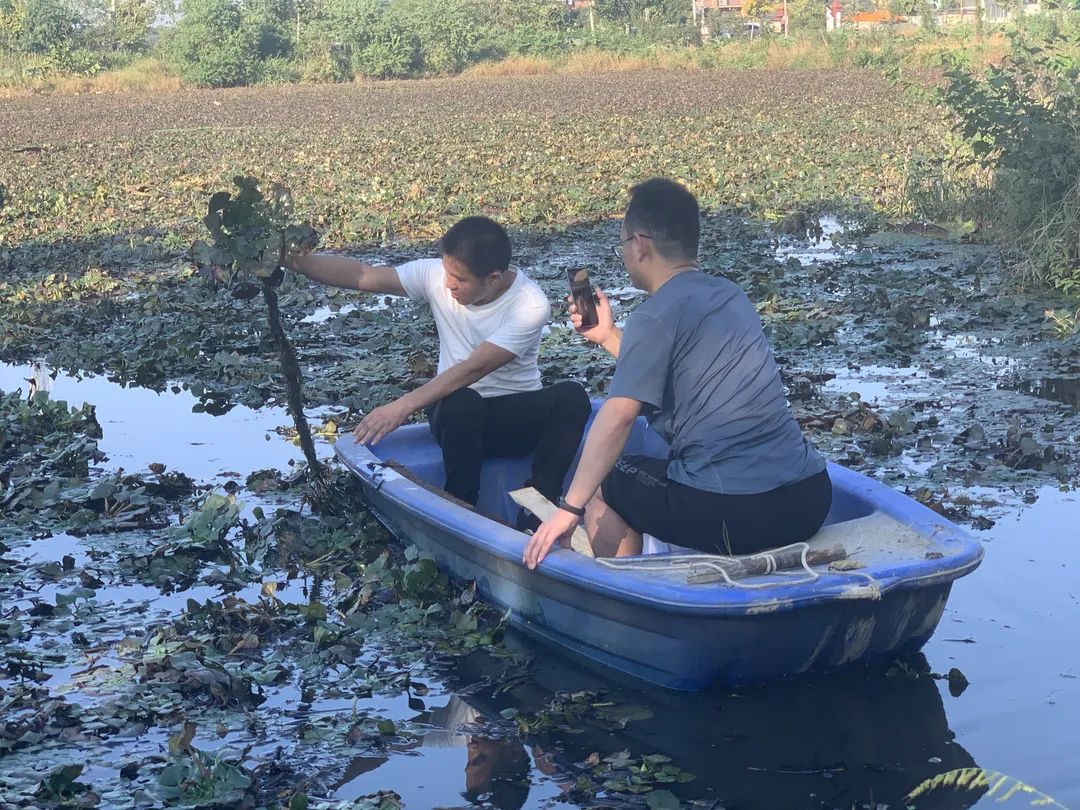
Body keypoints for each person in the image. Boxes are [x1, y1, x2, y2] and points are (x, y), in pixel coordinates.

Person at [523, 179, 831, 569]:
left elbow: (617, 419)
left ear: (639, 244)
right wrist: (608, 337)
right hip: (809, 498)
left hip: (734, 513)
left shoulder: (654, 314)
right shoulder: (730, 295)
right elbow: (680, 377)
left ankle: (626, 598)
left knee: (605, 483)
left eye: (623, 247)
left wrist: (570, 508)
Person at [289, 216, 590, 512]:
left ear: (493, 278)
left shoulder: (530, 304)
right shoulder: (437, 277)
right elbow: (363, 274)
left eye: (460, 280)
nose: (449, 285)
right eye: (447, 272)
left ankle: (540, 505)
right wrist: (291, 260)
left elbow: (475, 367)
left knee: (572, 397)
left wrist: (402, 406)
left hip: (510, 419)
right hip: (455, 421)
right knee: (463, 402)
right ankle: (461, 504)